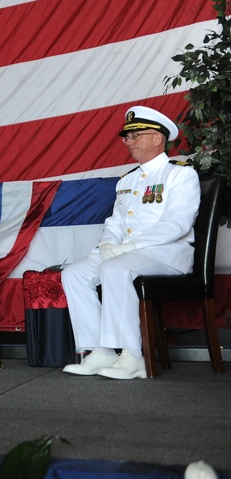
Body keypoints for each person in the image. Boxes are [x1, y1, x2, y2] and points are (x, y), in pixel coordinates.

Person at [61, 106, 200, 380]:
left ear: (158, 139)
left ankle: (133, 355)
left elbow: (177, 224)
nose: (128, 141)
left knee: (116, 268)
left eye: (135, 136)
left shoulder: (180, 175)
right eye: (126, 137)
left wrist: (128, 248)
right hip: (126, 252)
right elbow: (115, 223)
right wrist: (107, 244)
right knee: (74, 273)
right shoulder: (127, 180)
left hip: (167, 254)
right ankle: (101, 351)